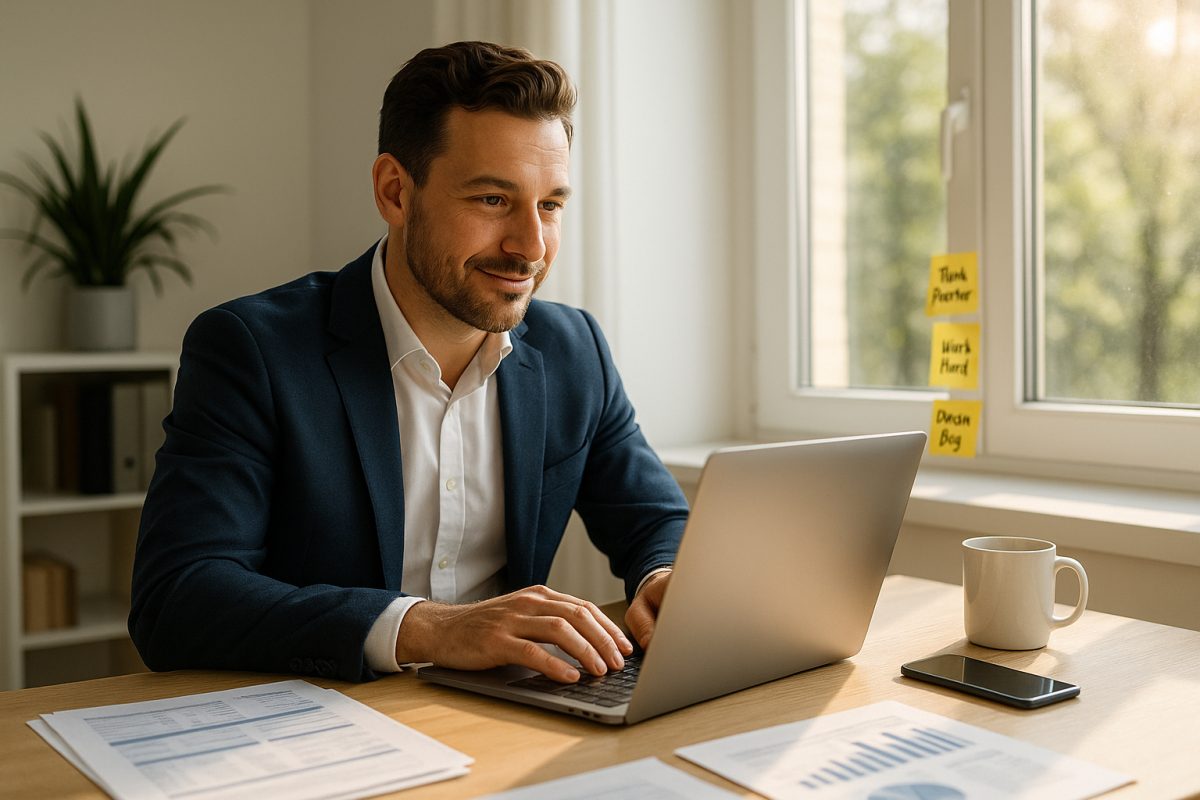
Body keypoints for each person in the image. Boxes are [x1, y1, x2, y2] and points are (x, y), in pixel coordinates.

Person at [129, 41, 689, 685]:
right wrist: (431, 628)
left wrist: (663, 577)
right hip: (323, 712)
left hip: (506, 712)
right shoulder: (252, 349)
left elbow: (655, 519)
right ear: (395, 192)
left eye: (550, 205)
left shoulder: (574, 349)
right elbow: (178, 596)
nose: (531, 246)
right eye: (492, 200)